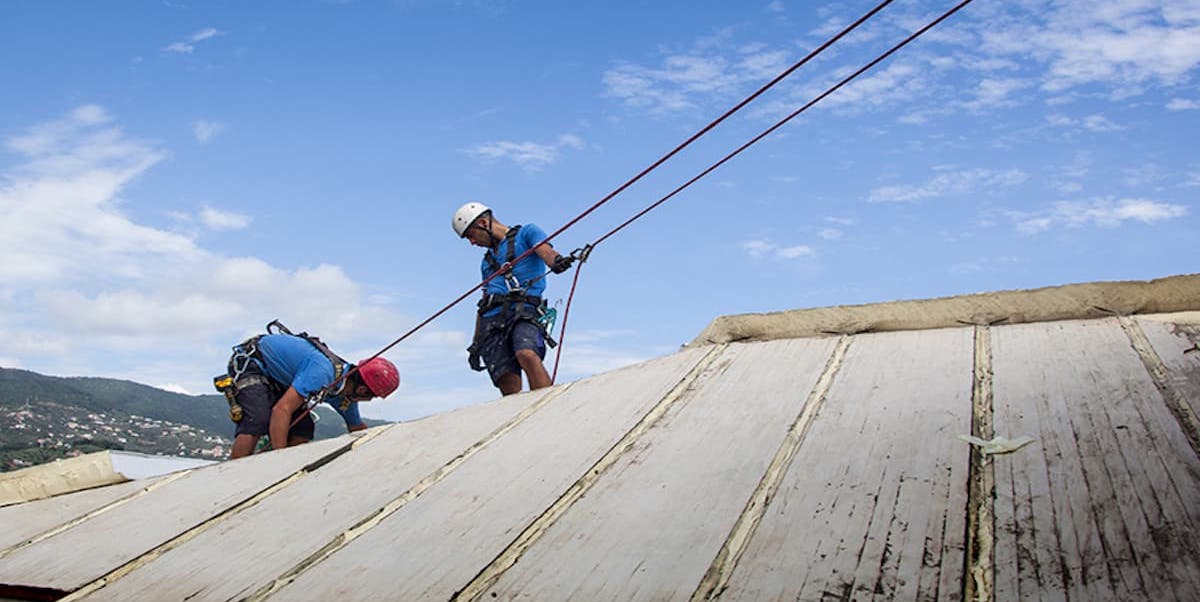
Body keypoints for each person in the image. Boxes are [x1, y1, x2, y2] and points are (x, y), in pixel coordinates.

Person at [218, 325, 400, 459]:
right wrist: (278, 460)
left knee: (303, 428)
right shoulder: (323, 372)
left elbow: (357, 429)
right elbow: (281, 410)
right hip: (253, 363)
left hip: (278, 378)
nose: (369, 400)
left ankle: (282, 469)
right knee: (257, 420)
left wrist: (381, 453)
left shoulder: (344, 395)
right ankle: (234, 475)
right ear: (361, 389)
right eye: (371, 396)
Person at [453, 201, 576, 395]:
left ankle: (548, 408)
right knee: (506, 378)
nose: (472, 242)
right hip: (491, 320)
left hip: (523, 309)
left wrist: (557, 262)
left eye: (471, 235)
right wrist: (476, 343)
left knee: (526, 353)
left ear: (484, 224)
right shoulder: (487, 262)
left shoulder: (527, 233)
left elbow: (546, 252)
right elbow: (484, 300)